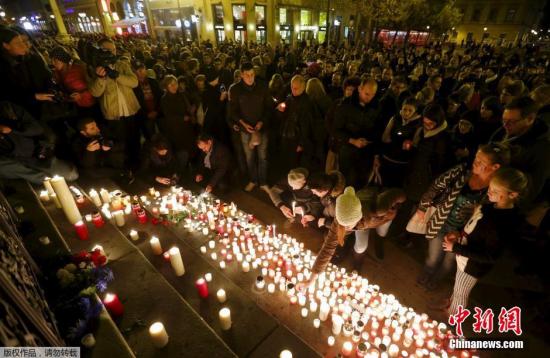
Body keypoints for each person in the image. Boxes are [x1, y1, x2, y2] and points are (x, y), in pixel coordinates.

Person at [414, 143, 511, 290]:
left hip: (464, 235)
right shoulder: (462, 171)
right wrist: (423, 207)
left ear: (495, 167)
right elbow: (437, 185)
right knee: (433, 256)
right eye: (476, 158)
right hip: (441, 223)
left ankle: (436, 280)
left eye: (480, 162)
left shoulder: (495, 190)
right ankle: (427, 273)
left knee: (449, 262)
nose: (475, 162)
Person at [439, 168, 527, 317]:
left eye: (495, 190)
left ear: (512, 194)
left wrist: (457, 248)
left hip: (472, 266)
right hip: (464, 256)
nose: (489, 191)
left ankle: (453, 319)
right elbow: (474, 226)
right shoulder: (492, 206)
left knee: (461, 293)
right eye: (490, 187)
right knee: (458, 286)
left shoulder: (503, 224)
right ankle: (451, 305)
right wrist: (458, 232)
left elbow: (490, 256)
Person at [300, 186, 406, 287]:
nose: (345, 228)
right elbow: (327, 248)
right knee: (361, 246)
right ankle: (357, 264)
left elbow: (399, 194)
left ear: (357, 218)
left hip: (383, 218)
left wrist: (393, 207)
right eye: (342, 224)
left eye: (348, 225)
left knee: (381, 233)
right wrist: (311, 280)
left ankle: (379, 242)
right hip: (362, 225)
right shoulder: (340, 220)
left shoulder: (380, 207)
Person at [89, 38, 141, 170]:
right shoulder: (95, 68)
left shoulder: (122, 64)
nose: (112, 52)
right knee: (120, 143)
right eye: (108, 50)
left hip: (130, 110)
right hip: (114, 114)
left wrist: (117, 75)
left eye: (114, 49)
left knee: (134, 139)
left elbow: (134, 82)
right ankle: (124, 168)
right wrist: (101, 78)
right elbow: (95, 92)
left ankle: (138, 165)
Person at [0, 101, 78, 184]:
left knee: (71, 174)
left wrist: (12, 129)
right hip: (13, 163)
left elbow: (37, 128)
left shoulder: (7, 108)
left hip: (35, 155)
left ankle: (45, 179)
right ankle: (45, 180)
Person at [228, 62, 273, 192]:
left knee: (263, 156)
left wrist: (262, 122)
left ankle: (263, 181)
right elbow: (233, 112)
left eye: (252, 74)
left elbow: (269, 108)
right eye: (247, 75)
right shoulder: (235, 89)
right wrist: (243, 124)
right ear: (241, 75)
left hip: (262, 128)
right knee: (249, 157)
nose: (250, 78)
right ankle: (253, 180)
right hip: (245, 130)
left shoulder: (263, 87)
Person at [334, 78, 381, 188]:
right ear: (360, 89)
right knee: (347, 183)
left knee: (362, 183)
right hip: (348, 151)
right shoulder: (345, 105)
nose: (369, 98)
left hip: (367, 153)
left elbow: (378, 131)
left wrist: (376, 155)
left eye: (372, 94)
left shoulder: (376, 106)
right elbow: (335, 130)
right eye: (366, 94)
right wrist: (353, 141)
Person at [380, 97, 421, 188]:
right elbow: (385, 137)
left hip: (402, 162)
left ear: (415, 111)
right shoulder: (395, 118)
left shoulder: (418, 124)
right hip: (387, 158)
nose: (406, 113)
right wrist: (401, 142)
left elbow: (414, 144)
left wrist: (395, 140)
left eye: (410, 110)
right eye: (404, 109)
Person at [159, 75, 195, 173]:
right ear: (166, 86)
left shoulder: (182, 94)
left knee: (190, 146)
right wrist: (181, 118)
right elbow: (168, 116)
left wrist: (191, 110)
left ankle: (190, 165)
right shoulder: (165, 99)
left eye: (175, 83)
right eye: (171, 85)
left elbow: (190, 103)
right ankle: (181, 169)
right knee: (180, 148)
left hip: (187, 126)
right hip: (176, 128)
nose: (174, 86)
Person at [133, 61, 162, 140]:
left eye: (142, 69)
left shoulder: (153, 81)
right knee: (150, 136)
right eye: (138, 70)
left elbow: (160, 97)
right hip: (145, 116)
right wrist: (146, 114)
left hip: (158, 113)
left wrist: (157, 111)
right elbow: (135, 103)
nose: (141, 72)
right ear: (135, 72)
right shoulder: (134, 85)